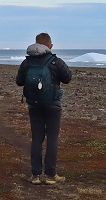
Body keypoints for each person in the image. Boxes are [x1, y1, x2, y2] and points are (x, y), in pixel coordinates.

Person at [15, 32, 72, 185]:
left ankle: (35, 175)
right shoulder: (55, 61)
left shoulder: (27, 62)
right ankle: (51, 175)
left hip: (34, 105)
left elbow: (19, 82)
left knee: (36, 139)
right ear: (50, 46)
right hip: (53, 105)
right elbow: (67, 78)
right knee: (52, 139)